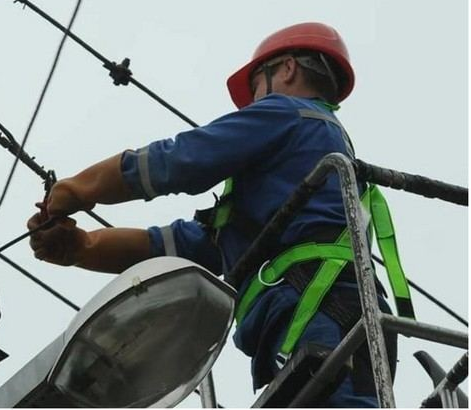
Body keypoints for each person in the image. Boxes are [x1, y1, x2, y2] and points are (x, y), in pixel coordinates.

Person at [27, 22, 406, 407]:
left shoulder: (286, 113)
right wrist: (84, 247)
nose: (252, 102)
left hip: (315, 303)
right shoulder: (293, 177)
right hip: (332, 310)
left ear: (287, 69)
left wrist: (78, 189)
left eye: (256, 85)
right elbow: (177, 247)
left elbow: (180, 160)